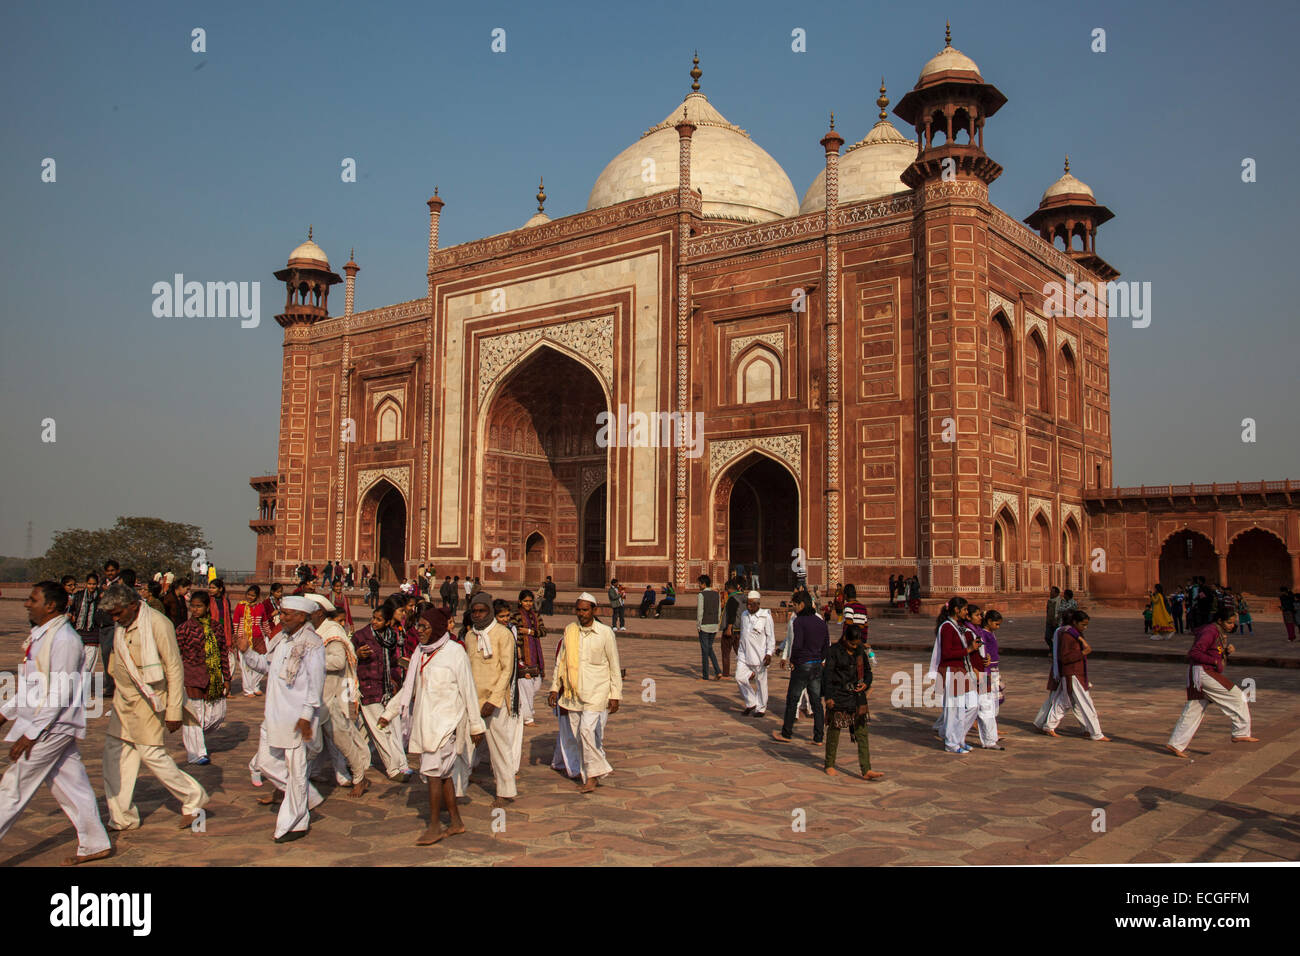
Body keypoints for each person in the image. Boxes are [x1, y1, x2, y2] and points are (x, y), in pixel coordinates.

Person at [0, 582, 113, 865]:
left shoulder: (64, 639)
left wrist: (33, 733)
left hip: (52, 726)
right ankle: (94, 842)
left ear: (50, 606)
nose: (27, 604)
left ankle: (94, 842)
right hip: (47, 723)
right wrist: (6, 713)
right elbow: (32, 685)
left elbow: (60, 692)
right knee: (72, 786)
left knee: (13, 786)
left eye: (32, 599)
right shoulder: (43, 635)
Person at [98, 582, 209, 832]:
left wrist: (173, 711)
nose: (115, 618)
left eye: (118, 613)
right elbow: (116, 658)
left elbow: (173, 667)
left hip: (150, 700)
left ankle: (194, 798)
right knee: (115, 758)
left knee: (152, 755)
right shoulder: (120, 626)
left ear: (132, 605)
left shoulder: (158, 623)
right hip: (123, 703)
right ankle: (122, 817)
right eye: (112, 615)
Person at [378, 606, 485, 844]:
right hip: (426, 722)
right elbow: (410, 688)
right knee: (444, 775)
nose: (420, 631)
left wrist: (476, 726)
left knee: (433, 773)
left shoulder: (455, 653)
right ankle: (456, 822)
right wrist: (390, 713)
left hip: (447, 724)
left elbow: (468, 690)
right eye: (419, 626)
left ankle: (435, 826)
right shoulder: (421, 653)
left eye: (425, 627)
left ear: (436, 627)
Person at [234, 595, 326, 843]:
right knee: (265, 763)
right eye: (281, 613)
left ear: (301, 616)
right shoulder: (282, 639)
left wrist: (307, 716)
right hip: (274, 715)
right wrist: (247, 652)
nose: (281, 617)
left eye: (286, 614)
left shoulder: (312, 644)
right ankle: (308, 797)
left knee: (297, 771)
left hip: (297, 718)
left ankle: (294, 823)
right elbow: (267, 665)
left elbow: (316, 685)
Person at [547, 594, 622, 793]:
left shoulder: (605, 633)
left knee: (586, 731)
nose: (581, 614)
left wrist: (615, 694)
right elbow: (561, 663)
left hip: (597, 691)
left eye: (585, 610)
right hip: (573, 692)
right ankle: (588, 772)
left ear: (594, 610)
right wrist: (554, 688)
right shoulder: (570, 632)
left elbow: (614, 665)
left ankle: (593, 775)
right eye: (578, 610)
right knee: (578, 736)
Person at [1166, 608, 1259, 757]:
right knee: (1238, 696)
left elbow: (1212, 651)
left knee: (1194, 709)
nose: (1231, 626)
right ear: (1220, 621)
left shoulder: (1216, 632)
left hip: (1199, 673)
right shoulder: (1210, 631)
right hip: (1203, 672)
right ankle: (1240, 731)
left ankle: (1176, 744)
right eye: (1229, 623)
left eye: (1233, 623)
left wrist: (1225, 653)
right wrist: (1214, 660)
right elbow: (1194, 652)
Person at [306, 595, 371, 797]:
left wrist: (310, 659)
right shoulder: (309, 630)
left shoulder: (332, 632)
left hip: (328, 696)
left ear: (319, 612)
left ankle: (360, 777)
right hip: (309, 695)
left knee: (342, 740)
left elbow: (338, 662)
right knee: (306, 742)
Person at [463, 592, 521, 807]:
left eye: (482, 611)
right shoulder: (470, 636)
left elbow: (507, 670)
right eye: (474, 611)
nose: (477, 615)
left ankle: (505, 791)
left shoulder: (502, 634)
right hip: (473, 697)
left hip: (494, 701)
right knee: (465, 744)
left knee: (500, 746)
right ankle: (458, 785)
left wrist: (494, 700)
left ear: (489, 612)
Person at [351, 604, 412, 782]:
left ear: (387, 622)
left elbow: (392, 661)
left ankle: (357, 762)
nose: (374, 622)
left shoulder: (390, 637)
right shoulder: (361, 636)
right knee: (380, 729)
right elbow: (347, 656)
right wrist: (356, 654)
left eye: (379, 619)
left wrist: (399, 671)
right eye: (373, 618)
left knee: (364, 731)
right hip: (367, 688)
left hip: (384, 689)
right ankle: (392, 769)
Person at [173, 591, 230, 766]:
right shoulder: (183, 629)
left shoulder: (216, 628)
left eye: (199, 606)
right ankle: (196, 753)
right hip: (191, 676)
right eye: (193, 606)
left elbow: (222, 653)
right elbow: (176, 654)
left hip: (212, 677)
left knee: (216, 716)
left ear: (207, 607)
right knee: (194, 714)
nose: (195, 610)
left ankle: (193, 733)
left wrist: (226, 677)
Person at [1033, 610, 1108, 741]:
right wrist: (1083, 652)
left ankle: (1049, 726)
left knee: (1064, 701)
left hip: (1074, 673)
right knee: (1085, 703)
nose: (1085, 627)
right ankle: (1096, 733)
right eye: (1083, 624)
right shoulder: (1067, 635)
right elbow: (1065, 657)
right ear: (1074, 622)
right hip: (1072, 673)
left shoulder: (1072, 634)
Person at [820, 623, 882, 779]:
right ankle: (829, 764)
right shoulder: (834, 651)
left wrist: (866, 683)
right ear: (845, 639)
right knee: (834, 731)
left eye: (857, 643)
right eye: (852, 643)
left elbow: (868, 672)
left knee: (862, 733)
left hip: (856, 697)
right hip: (838, 695)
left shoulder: (860, 651)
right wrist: (828, 697)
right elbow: (827, 676)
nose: (854, 646)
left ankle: (866, 769)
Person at [771, 589, 827, 744]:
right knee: (816, 702)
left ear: (802, 605)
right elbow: (825, 645)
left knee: (793, 699)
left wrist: (793, 661)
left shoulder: (799, 621)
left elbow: (797, 645)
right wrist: (819, 659)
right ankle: (818, 737)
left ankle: (786, 733)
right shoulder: (820, 621)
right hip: (816, 665)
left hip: (802, 665)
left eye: (795, 605)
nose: (793, 608)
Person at [929, 597, 978, 754]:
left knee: (973, 705)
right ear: (957, 610)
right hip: (951, 669)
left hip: (961, 669)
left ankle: (959, 738)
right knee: (954, 709)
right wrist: (968, 650)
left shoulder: (959, 626)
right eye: (964, 609)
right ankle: (952, 743)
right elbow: (947, 653)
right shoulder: (947, 627)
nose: (966, 612)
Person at [735, 591, 775, 717]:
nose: (748, 606)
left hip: (760, 656)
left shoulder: (765, 616)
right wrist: (739, 652)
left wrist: (769, 653)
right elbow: (743, 635)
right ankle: (751, 702)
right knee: (739, 677)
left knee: (761, 683)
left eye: (751, 604)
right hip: (744, 654)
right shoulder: (744, 615)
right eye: (747, 604)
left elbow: (771, 637)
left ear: (758, 604)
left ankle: (761, 708)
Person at [510, 590, 547, 726]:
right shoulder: (515, 616)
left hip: (536, 655)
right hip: (523, 655)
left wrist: (530, 631)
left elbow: (543, 631)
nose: (528, 603)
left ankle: (522, 711)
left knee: (535, 686)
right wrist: (518, 654)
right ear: (520, 601)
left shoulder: (536, 615)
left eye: (530, 601)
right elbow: (514, 634)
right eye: (525, 601)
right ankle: (528, 717)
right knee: (526, 688)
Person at [970, 608, 1004, 750]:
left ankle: (990, 734)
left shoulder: (982, 633)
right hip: (983, 673)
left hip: (989, 672)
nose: (979, 617)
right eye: (976, 615)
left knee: (990, 703)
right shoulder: (978, 633)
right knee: (983, 703)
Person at [232, 585, 272, 697]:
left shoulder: (260, 607)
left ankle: (256, 686)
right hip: (243, 638)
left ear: (257, 596)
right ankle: (248, 689)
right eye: (248, 595)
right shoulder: (241, 606)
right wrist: (236, 637)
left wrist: (270, 635)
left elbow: (264, 623)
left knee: (259, 662)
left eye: (253, 595)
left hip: (258, 638)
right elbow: (235, 622)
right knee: (245, 665)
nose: (250, 597)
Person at [67, 571, 104, 677]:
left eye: (93, 584)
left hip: (93, 636)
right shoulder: (78, 596)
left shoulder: (101, 598)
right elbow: (71, 610)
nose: (91, 586)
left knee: (88, 667)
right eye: (89, 584)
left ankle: (83, 689)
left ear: (97, 584)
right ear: (85, 584)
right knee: (75, 665)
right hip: (78, 635)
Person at [695, 575, 722, 681]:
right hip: (714, 625)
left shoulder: (701, 595)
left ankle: (705, 676)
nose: (698, 585)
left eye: (699, 583)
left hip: (705, 625)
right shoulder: (717, 594)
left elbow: (700, 611)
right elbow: (719, 610)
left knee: (705, 651)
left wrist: (698, 625)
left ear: (703, 584)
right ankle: (718, 671)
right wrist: (718, 623)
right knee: (709, 648)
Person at [719, 579, 743, 678]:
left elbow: (732, 614)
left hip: (731, 629)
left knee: (726, 652)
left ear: (729, 588)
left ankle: (726, 673)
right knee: (740, 653)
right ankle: (746, 671)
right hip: (741, 629)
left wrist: (728, 628)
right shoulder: (743, 597)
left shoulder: (732, 598)